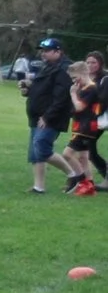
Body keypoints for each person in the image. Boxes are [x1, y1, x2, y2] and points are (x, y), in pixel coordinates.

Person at [22, 38, 74, 194]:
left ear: (58, 51)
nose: (43, 54)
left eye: (47, 51)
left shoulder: (64, 69)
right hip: (37, 116)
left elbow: (61, 98)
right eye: (42, 51)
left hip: (50, 118)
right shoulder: (47, 66)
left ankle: (75, 175)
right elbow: (43, 91)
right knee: (35, 153)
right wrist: (28, 91)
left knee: (42, 148)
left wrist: (47, 117)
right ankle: (39, 187)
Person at [62, 56, 101, 196]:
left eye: (75, 77)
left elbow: (79, 107)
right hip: (82, 127)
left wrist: (73, 93)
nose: (74, 81)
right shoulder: (84, 88)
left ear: (84, 73)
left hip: (85, 128)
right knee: (83, 157)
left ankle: (81, 180)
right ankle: (89, 186)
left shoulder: (90, 89)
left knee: (66, 154)